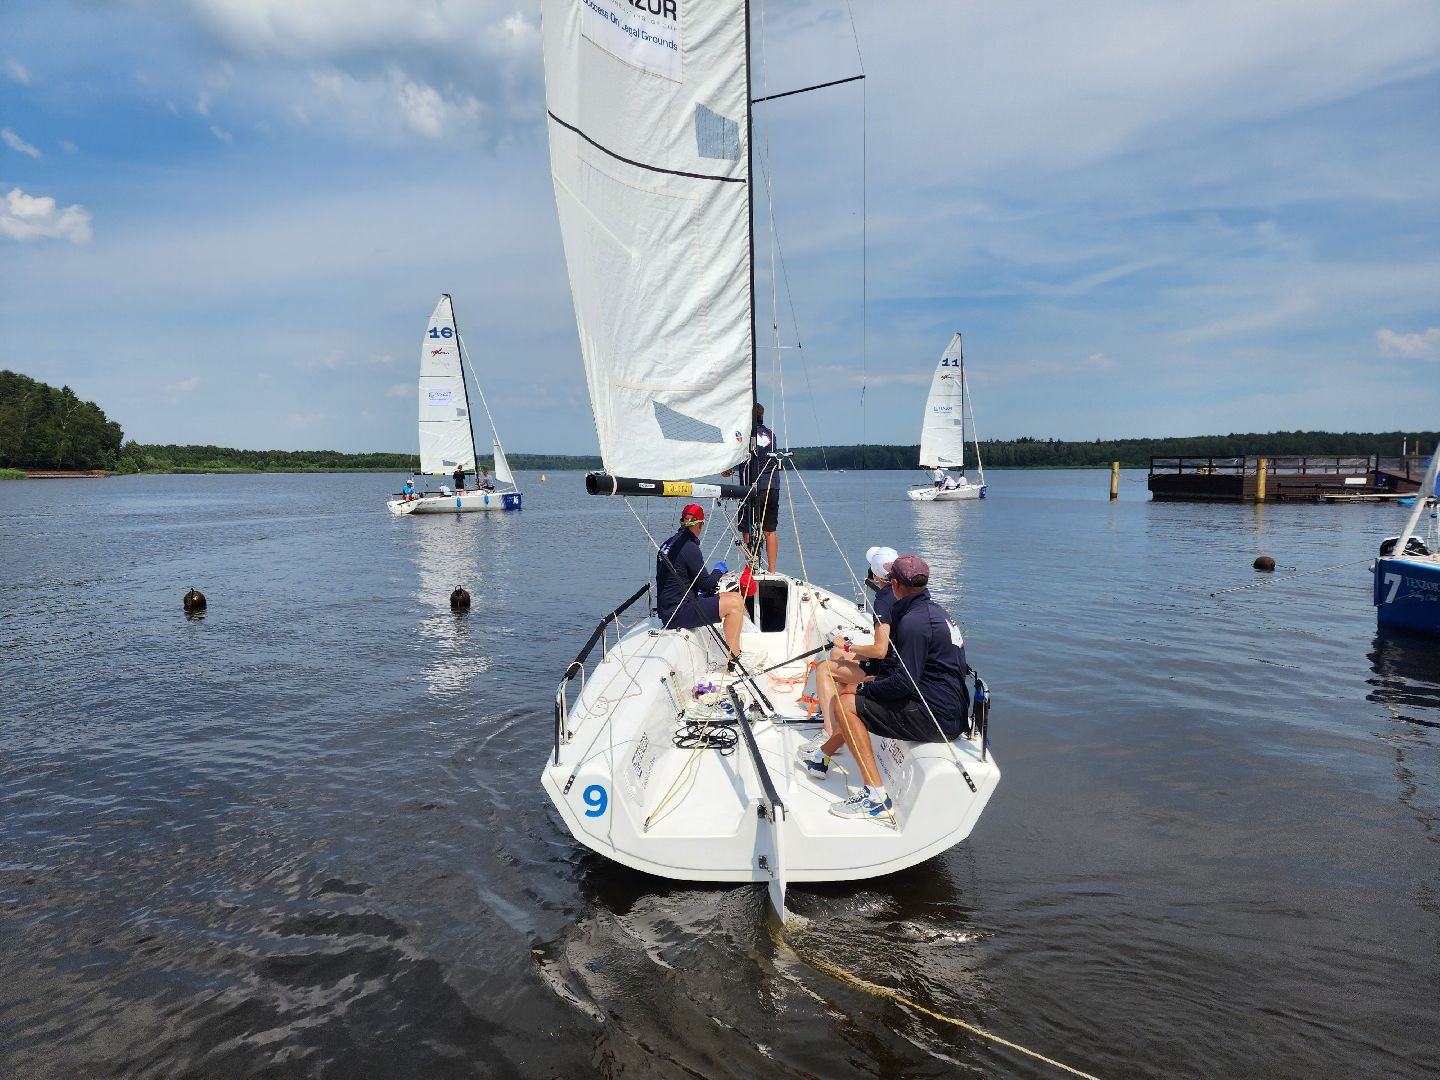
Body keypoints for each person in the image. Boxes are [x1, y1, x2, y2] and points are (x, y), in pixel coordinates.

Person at [798, 554, 970, 823]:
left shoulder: (914, 622)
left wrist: (861, 690)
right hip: (950, 709)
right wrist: (869, 685)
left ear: (897, 586)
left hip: (934, 716)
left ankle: (875, 796)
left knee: (847, 701)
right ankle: (822, 756)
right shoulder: (936, 613)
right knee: (859, 691)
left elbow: (904, 683)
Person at [802, 546, 898, 764]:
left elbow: (880, 650)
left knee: (826, 668)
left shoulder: (883, 599)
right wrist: (843, 649)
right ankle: (836, 712)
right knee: (835, 652)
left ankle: (830, 733)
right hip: (892, 663)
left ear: (874, 574)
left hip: (888, 672)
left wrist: (849, 647)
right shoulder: (902, 593)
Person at [655, 503, 745, 668]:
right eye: (701, 525)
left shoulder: (667, 544)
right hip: (677, 613)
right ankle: (735, 659)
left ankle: (735, 653)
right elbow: (706, 584)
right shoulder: (689, 547)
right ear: (698, 524)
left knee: (734, 597)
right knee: (735, 604)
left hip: (668, 609)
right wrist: (719, 570)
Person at [741, 403, 783, 573]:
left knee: (747, 527)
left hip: (753, 488)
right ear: (762, 415)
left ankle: (751, 567)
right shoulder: (770, 435)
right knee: (770, 530)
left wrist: (726, 469)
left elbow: (739, 456)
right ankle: (772, 569)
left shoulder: (746, 435)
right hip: (772, 486)